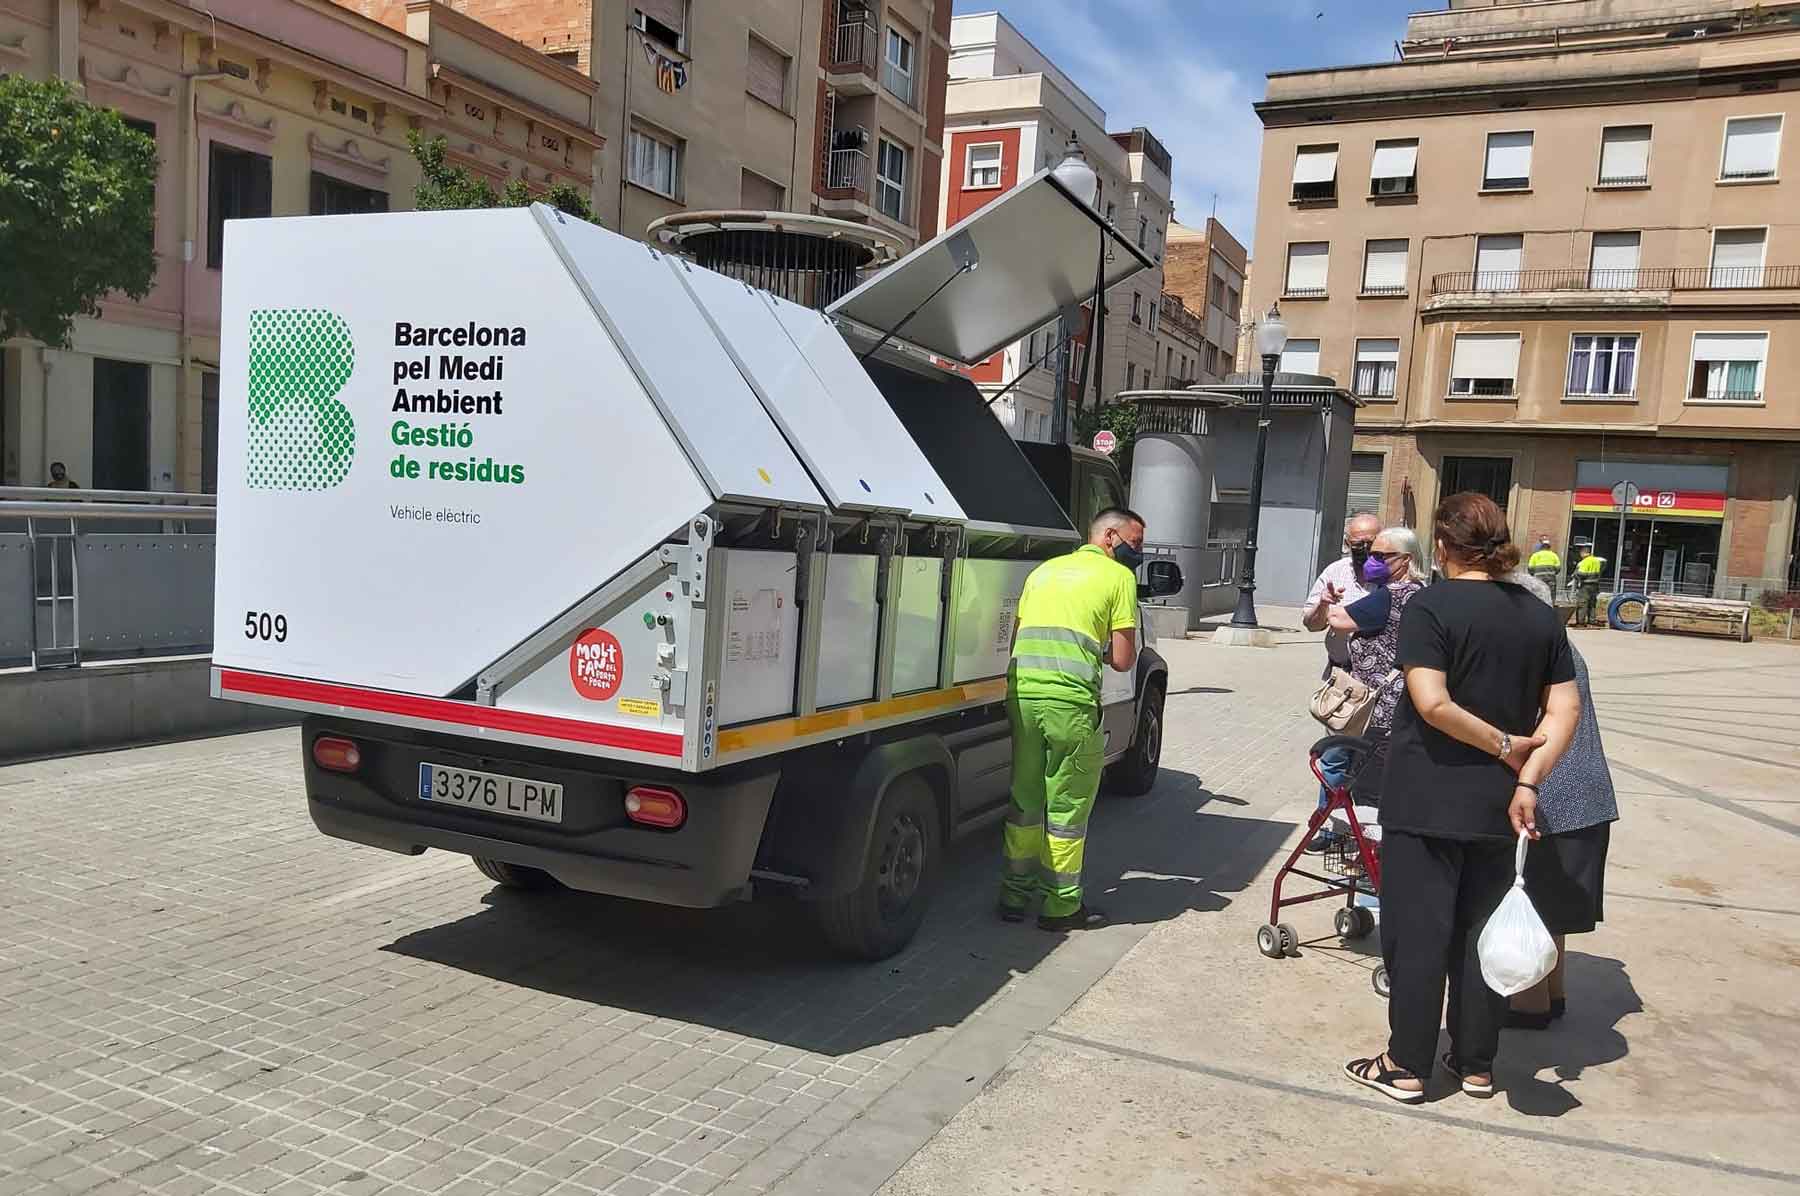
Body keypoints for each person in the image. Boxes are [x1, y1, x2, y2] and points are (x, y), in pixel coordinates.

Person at [1344, 493, 1580, 1104]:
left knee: (1419, 934)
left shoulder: (1430, 607)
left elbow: (1432, 703)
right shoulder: (1538, 615)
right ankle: (1476, 1063)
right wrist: (1527, 775)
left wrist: (1503, 745)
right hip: (1503, 805)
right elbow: (1564, 710)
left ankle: (1405, 1066)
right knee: (1483, 931)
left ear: (1443, 546)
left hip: (1428, 796)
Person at [998, 507, 1144, 932]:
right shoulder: (1119, 579)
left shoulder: (1043, 571)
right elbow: (1122, 659)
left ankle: (1012, 895)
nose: (1138, 552)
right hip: (1071, 703)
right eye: (1135, 543)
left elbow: (1016, 640)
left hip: (1023, 694)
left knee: (1025, 799)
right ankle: (1060, 907)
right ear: (1110, 537)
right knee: (1066, 809)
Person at [1505, 571, 1619, 1029]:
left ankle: (1529, 1004)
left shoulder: (1534, 653)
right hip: (1588, 794)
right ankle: (1554, 992)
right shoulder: (1567, 648)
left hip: (1553, 793)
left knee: (1530, 898)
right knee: (1554, 903)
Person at [1301, 511, 1383, 847]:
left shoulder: (1391, 573)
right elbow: (1311, 622)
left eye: (1370, 542)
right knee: (1334, 756)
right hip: (1345, 679)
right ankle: (1329, 824)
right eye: (1356, 542)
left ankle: (1363, 831)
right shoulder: (1335, 572)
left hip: (1381, 682)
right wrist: (1323, 605)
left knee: (1371, 760)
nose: (1363, 548)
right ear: (1347, 542)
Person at [1573, 543, 1606, 626]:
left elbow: (1582, 574)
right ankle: (1592, 620)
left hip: (1586, 585)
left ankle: (1580, 622)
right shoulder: (1596, 561)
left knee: (1582, 603)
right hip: (1595, 585)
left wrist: (1575, 575)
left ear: (1583, 553)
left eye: (1581, 553)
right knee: (1592, 604)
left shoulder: (1584, 562)